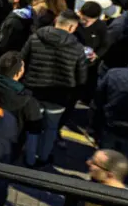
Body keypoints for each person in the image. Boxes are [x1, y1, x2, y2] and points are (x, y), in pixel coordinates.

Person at [20, 10, 88, 167]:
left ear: (57, 20)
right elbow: (81, 76)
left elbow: (22, 60)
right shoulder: (77, 47)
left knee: (33, 126)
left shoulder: (36, 37)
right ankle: (43, 158)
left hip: (33, 90)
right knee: (51, 128)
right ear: (71, 27)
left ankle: (29, 158)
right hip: (59, 95)